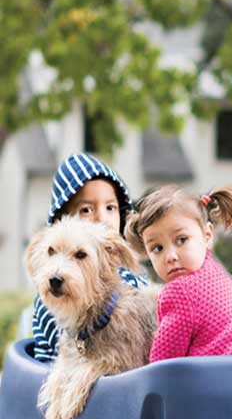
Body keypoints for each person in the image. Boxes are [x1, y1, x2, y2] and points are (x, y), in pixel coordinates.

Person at [124, 185, 232, 361]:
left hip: (215, 383)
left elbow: (163, 364)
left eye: (181, 240)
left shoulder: (179, 292)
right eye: (157, 248)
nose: (170, 256)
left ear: (207, 235)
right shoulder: (228, 282)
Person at [30, 152, 147, 362]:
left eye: (111, 207)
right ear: (61, 219)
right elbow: (48, 360)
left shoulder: (135, 282)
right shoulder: (51, 300)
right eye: (87, 209)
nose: (102, 217)